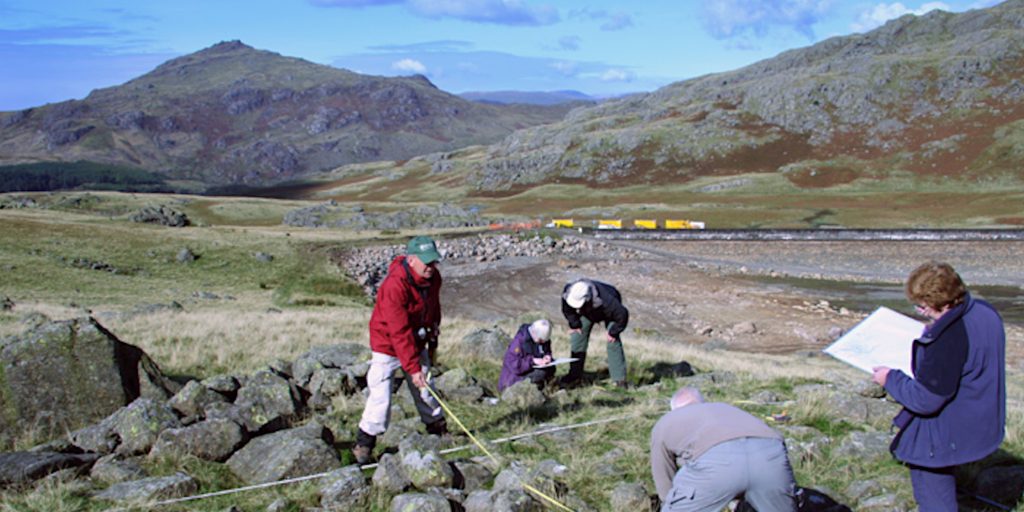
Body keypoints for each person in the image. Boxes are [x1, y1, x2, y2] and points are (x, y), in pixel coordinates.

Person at [872, 261, 1005, 512]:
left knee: (934, 498)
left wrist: (890, 378)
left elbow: (926, 400)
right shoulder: (986, 312)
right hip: (978, 418)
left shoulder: (948, 338)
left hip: (943, 434)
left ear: (942, 302)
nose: (919, 310)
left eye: (922, 306)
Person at [352, 235, 448, 465]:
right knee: (380, 397)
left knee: (427, 390)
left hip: (417, 339)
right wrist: (413, 368)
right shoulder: (394, 285)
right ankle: (364, 444)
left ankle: (438, 430)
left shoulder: (433, 278)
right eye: (427, 262)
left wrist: (434, 327)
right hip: (387, 344)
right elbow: (399, 331)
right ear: (411, 259)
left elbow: (433, 306)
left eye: (434, 261)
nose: (431, 267)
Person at [650, 387, 797, 512]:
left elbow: (663, 474)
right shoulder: (727, 408)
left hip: (716, 465)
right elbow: (776, 440)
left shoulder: (667, 421)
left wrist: (669, 502)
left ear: (674, 408)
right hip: (771, 457)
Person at [560, 278, 629, 388]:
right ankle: (574, 376)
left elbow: (622, 315)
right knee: (577, 337)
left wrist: (613, 332)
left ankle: (619, 380)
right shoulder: (568, 292)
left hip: (609, 313)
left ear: (587, 298)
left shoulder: (608, 300)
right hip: (588, 311)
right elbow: (567, 310)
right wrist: (575, 325)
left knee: (612, 342)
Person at [498, 319, 555, 392]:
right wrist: (532, 361)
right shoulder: (519, 341)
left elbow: (546, 349)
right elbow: (514, 365)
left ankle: (543, 389)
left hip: (529, 370)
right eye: (541, 340)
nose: (542, 342)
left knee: (551, 368)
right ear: (535, 334)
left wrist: (547, 356)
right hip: (512, 380)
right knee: (540, 373)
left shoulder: (540, 338)